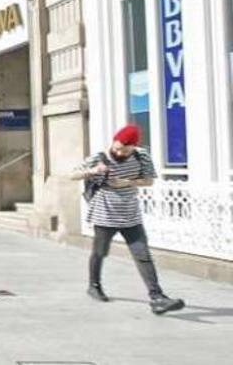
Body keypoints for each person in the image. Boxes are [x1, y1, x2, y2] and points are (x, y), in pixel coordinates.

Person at [72, 125, 184, 315]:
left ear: (133, 147)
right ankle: (94, 285)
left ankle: (157, 297)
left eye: (123, 150)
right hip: (104, 214)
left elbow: (149, 181)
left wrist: (128, 182)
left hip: (131, 214)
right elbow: (72, 174)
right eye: (116, 148)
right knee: (100, 252)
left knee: (143, 255)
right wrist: (92, 171)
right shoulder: (99, 157)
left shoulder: (142, 156)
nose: (118, 152)